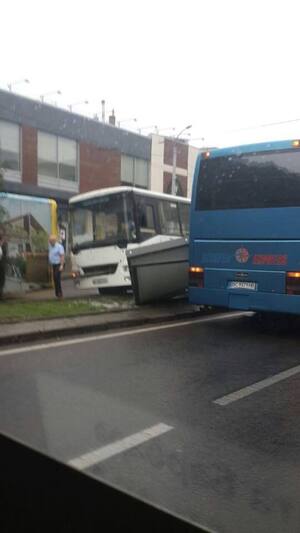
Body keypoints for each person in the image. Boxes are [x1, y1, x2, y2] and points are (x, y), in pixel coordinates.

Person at [48, 234, 65, 298]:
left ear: (54, 241)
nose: (50, 242)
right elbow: (50, 255)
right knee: (55, 278)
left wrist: (61, 265)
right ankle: (57, 293)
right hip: (54, 264)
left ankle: (60, 293)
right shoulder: (50, 246)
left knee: (56, 277)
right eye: (49, 241)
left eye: (51, 241)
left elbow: (62, 256)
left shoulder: (59, 247)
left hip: (59, 264)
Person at [0, 232, 8, 300]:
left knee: (2, 278)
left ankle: (1, 293)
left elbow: (4, 254)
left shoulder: (4, 244)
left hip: (2, 264)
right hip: (2, 264)